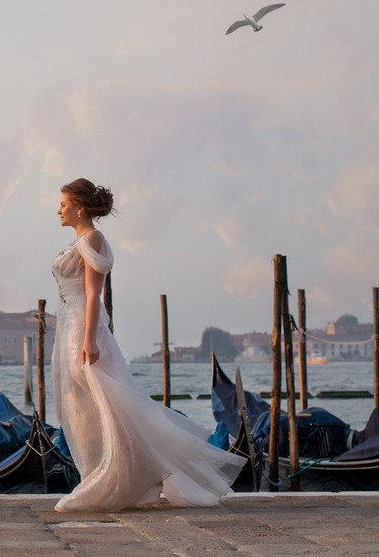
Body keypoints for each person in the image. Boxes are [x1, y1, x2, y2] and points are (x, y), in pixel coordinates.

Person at [51, 178, 245, 511]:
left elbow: (94, 294)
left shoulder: (92, 238)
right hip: (68, 324)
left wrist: (89, 339)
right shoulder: (79, 241)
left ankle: (112, 479)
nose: (59, 210)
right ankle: (106, 477)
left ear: (79, 208)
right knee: (81, 406)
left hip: (81, 327)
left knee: (101, 404)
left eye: (64, 204)